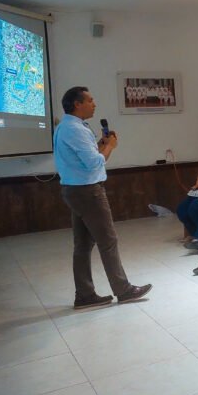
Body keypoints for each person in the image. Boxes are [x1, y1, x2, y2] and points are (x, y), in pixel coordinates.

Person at [53, 86, 151, 308]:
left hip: (74, 189)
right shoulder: (76, 129)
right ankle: (123, 290)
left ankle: (85, 295)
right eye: (90, 100)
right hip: (88, 191)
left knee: (83, 245)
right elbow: (95, 162)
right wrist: (111, 147)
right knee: (108, 241)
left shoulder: (65, 126)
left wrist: (100, 145)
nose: (94, 104)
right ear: (77, 104)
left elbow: (83, 156)